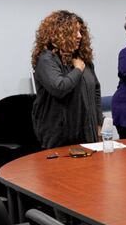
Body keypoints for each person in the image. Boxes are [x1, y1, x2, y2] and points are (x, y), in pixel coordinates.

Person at [31, 10, 103, 149]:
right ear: (59, 33)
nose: (79, 36)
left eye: (80, 32)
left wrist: (99, 123)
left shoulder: (83, 60)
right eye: (74, 32)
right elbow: (59, 88)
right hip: (60, 135)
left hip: (88, 131)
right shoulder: (46, 59)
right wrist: (77, 70)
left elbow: (95, 91)